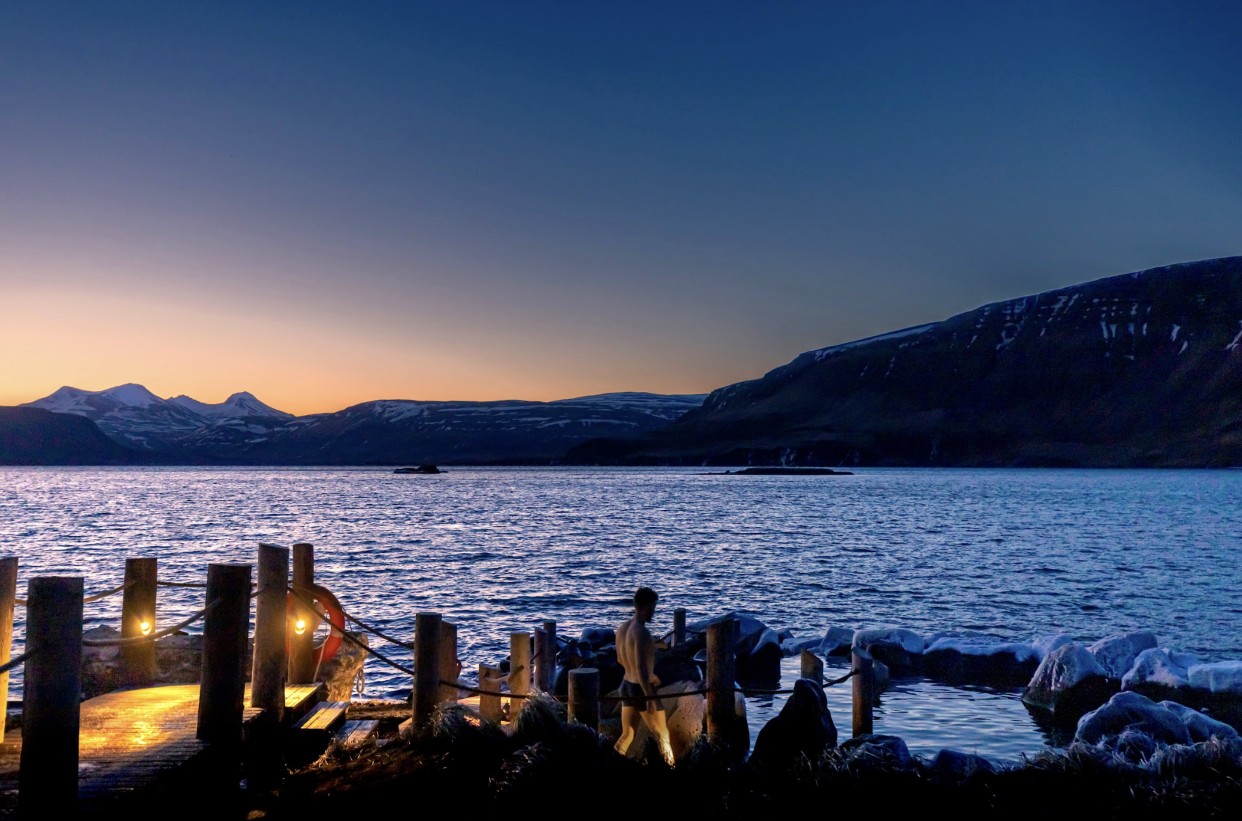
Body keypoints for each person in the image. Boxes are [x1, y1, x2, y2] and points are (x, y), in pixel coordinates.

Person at [614, 586, 675, 765]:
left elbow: (620, 659)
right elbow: (640, 669)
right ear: (644, 606)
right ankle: (670, 768)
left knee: (627, 734)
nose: (653, 612)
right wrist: (649, 697)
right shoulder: (641, 632)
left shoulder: (622, 629)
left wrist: (649, 673)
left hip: (625, 685)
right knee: (662, 734)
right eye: (652, 608)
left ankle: (611, 762)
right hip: (641, 689)